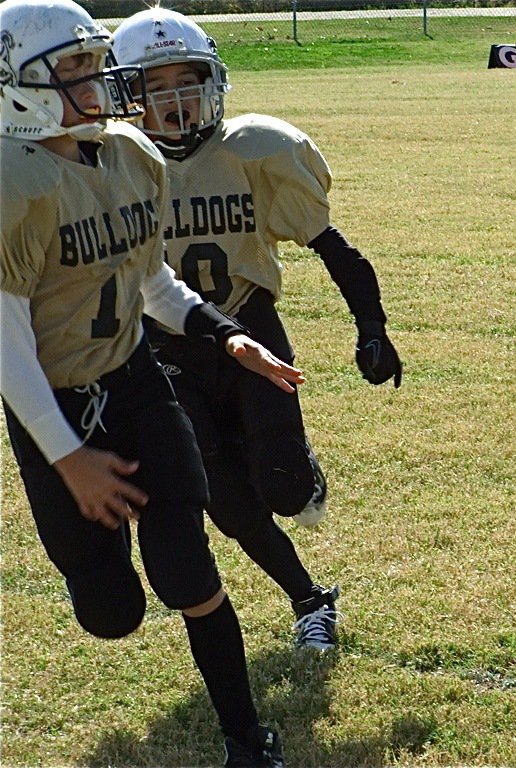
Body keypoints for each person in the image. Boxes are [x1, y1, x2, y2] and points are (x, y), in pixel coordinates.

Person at [0, 0, 294, 764]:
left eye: (94, 62)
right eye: (72, 69)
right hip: (53, 405)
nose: (96, 81)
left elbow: (152, 280)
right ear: (14, 85)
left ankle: (246, 741)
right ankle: (98, 576)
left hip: (135, 382)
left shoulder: (132, 154)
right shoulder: (10, 183)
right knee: (112, 613)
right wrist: (68, 457)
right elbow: (7, 350)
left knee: (185, 567)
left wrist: (229, 338)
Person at [110, 8, 403, 651]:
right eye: (156, 88)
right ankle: (310, 600)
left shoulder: (253, 150)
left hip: (249, 324)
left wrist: (372, 326)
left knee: (284, 488)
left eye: (187, 83)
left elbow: (334, 248)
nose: (176, 103)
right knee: (224, 498)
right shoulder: (110, 168)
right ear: (127, 96)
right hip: (165, 347)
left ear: (212, 83)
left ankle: (295, 469)